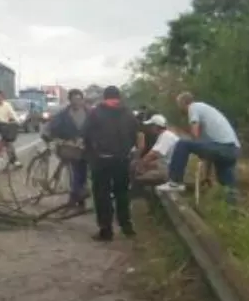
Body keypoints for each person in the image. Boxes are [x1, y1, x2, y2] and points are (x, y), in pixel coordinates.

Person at [156, 92, 241, 201]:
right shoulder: (206, 113)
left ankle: (175, 182)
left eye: (179, 106)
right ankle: (233, 208)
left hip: (223, 147)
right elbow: (208, 151)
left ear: (183, 103)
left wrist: (194, 149)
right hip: (232, 150)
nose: (179, 109)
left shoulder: (193, 107)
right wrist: (207, 176)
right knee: (226, 183)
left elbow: (194, 134)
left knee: (183, 144)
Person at [83, 86, 138, 241]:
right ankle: (127, 227)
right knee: (122, 193)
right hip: (122, 159)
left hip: (101, 160)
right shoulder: (128, 113)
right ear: (119, 97)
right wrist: (126, 150)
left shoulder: (95, 112)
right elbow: (135, 134)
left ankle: (106, 230)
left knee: (102, 195)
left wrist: (91, 154)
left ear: (104, 97)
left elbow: (85, 134)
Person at [43, 88, 89, 207]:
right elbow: (52, 126)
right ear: (70, 100)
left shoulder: (89, 113)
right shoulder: (64, 114)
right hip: (71, 148)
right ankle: (75, 197)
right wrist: (50, 136)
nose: (77, 102)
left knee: (83, 173)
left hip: (86, 148)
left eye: (79, 99)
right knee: (76, 172)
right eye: (74, 99)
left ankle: (80, 196)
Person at [134, 114, 180, 183]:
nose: (149, 128)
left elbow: (152, 155)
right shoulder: (165, 135)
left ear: (155, 126)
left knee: (138, 177)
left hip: (170, 170)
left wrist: (140, 165)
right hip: (169, 166)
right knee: (146, 166)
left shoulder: (166, 137)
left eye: (150, 126)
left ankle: (142, 192)